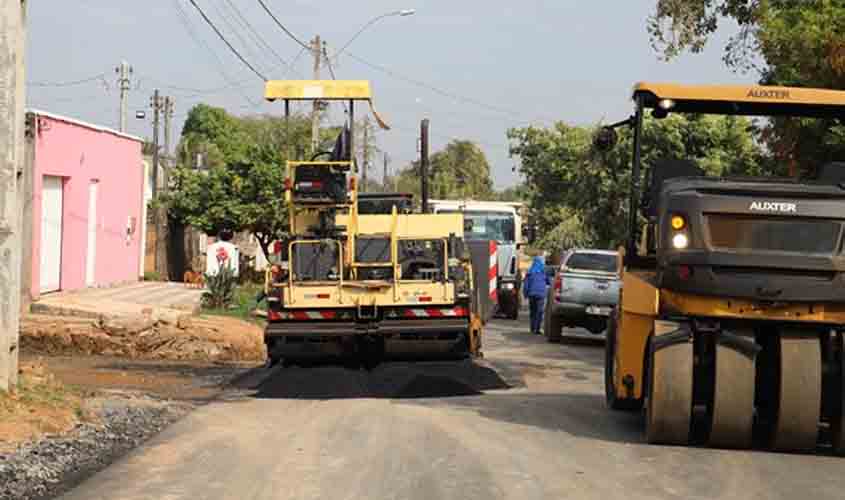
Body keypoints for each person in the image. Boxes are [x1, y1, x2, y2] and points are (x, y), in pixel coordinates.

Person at [523, 256, 548, 335]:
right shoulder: (543, 273)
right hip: (540, 295)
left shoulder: (529, 273)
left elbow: (526, 286)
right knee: (539, 312)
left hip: (532, 294)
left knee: (533, 311)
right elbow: (549, 282)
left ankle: (532, 328)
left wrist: (525, 294)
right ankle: (537, 329)